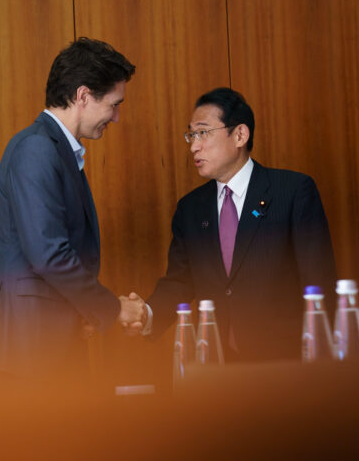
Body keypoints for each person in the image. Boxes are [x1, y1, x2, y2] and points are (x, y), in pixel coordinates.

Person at [0, 38, 143, 378]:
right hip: (22, 351)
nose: (117, 117)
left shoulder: (56, 150)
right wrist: (113, 308)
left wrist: (84, 314)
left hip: (41, 344)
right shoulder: (37, 149)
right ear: (83, 96)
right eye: (114, 104)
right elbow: (49, 256)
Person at [141, 87, 337, 362]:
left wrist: (321, 361)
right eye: (191, 135)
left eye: (203, 133)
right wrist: (145, 315)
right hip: (219, 366)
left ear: (240, 135)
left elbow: (319, 282)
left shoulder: (292, 191)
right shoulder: (191, 208)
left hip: (287, 364)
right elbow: (179, 282)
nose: (193, 146)